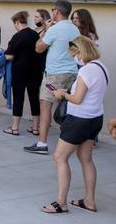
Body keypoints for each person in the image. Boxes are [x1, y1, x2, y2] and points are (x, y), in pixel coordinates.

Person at [42, 36, 109, 214]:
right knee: (86, 159)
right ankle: (90, 201)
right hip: (95, 119)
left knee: (60, 157)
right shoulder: (102, 67)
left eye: (74, 53)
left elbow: (78, 99)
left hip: (78, 120)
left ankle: (61, 203)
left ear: (81, 51)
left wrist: (62, 94)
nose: (73, 57)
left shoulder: (86, 71)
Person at [25, 0, 80, 155]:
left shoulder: (54, 30)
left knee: (45, 104)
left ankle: (42, 143)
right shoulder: (75, 29)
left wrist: (47, 30)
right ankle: (72, 141)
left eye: (53, 10)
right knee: (69, 106)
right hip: (72, 72)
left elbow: (39, 48)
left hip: (55, 74)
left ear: (56, 11)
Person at [2, 11, 44, 136]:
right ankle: (36, 127)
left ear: (16, 22)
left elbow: (9, 56)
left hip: (20, 72)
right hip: (35, 71)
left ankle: (15, 127)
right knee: (34, 99)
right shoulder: (35, 34)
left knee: (18, 98)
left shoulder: (17, 36)